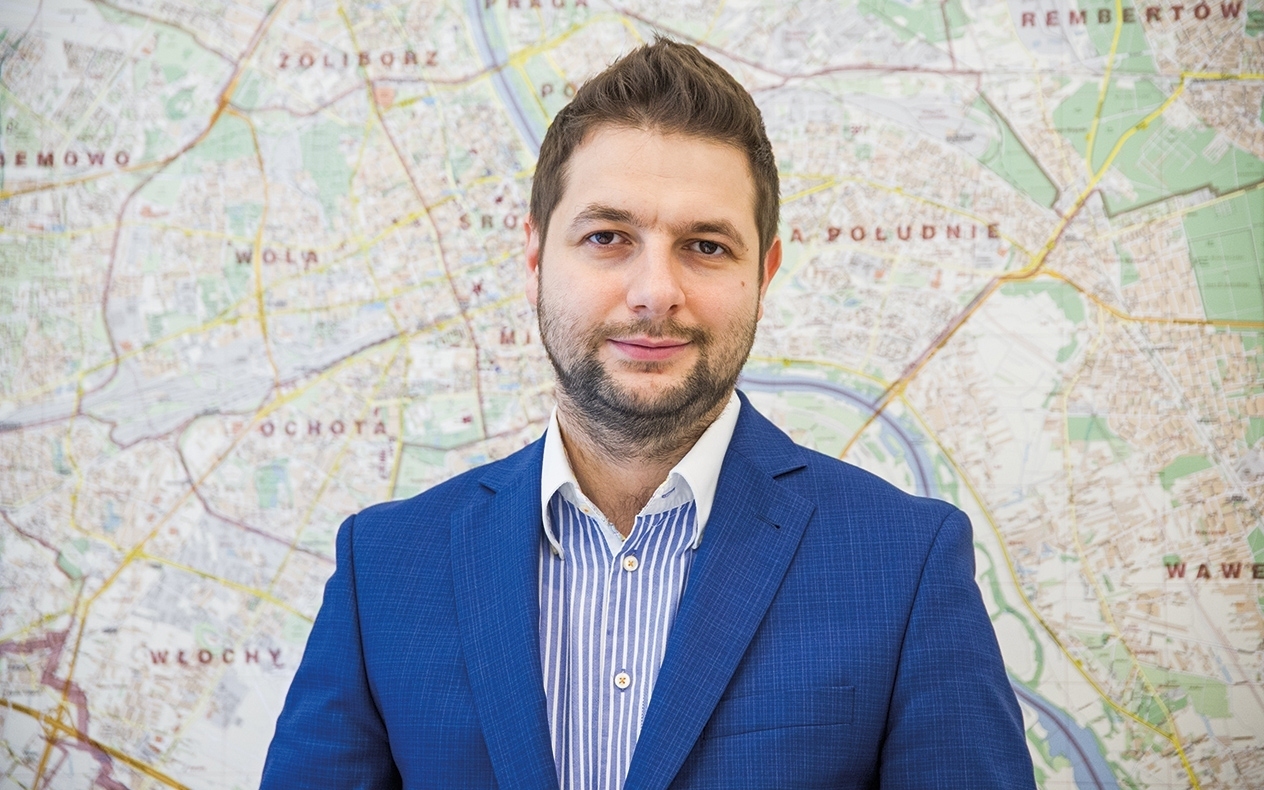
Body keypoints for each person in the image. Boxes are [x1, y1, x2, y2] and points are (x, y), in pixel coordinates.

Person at [260, 39, 1035, 790]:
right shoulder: (383, 567)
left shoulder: (906, 566)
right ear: (534, 260)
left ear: (764, 273)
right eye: (607, 237)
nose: (655, 291)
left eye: (706, 246)